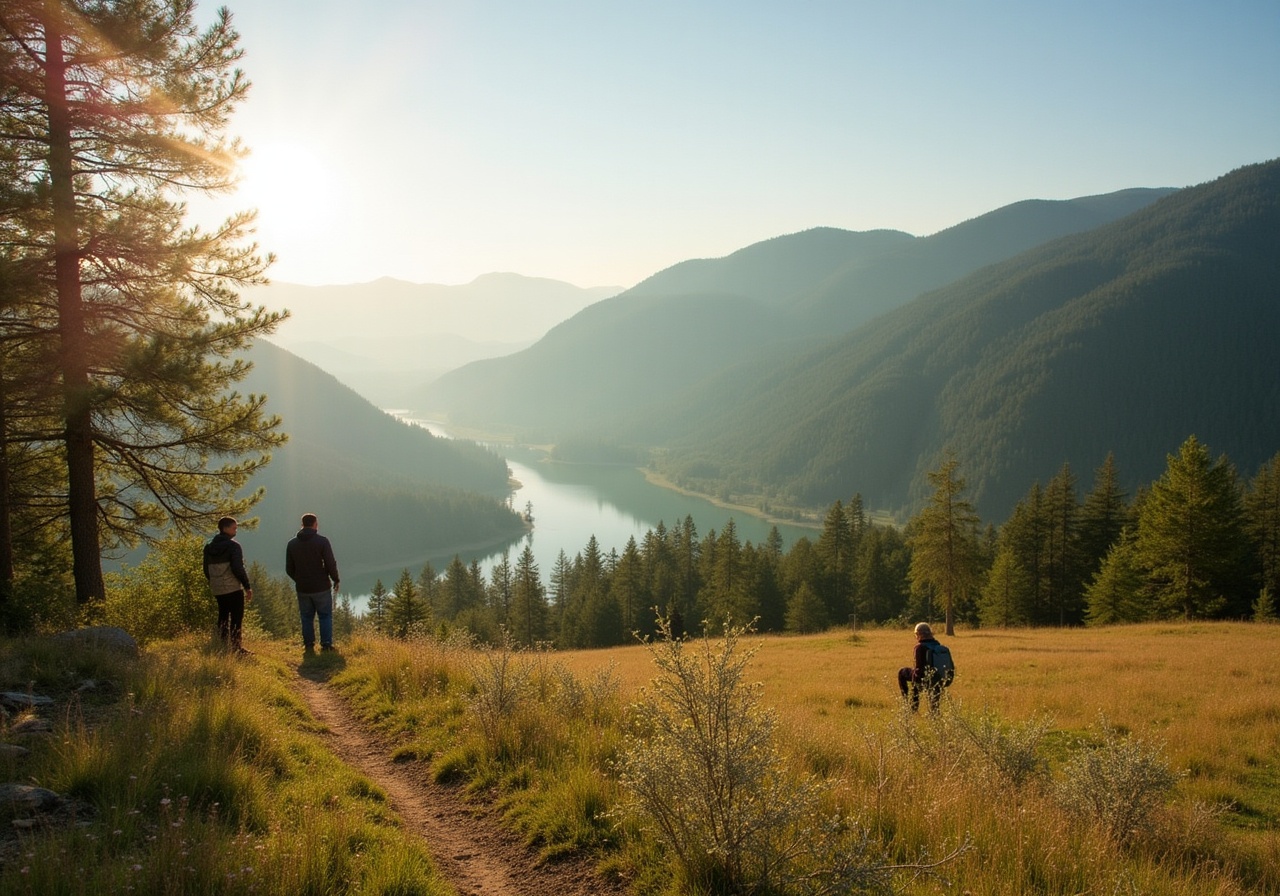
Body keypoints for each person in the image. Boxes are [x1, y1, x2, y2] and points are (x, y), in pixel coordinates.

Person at [285, 512, 341, 654]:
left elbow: (289, 569)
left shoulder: (292, 544)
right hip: (321, 586)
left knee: (306, 617)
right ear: (315, 524)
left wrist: (299, 579)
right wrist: (336, 579)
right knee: (325, 615)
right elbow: (330, 563)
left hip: (302, 588)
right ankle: (326, 644)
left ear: (302, 525)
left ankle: (309, 645)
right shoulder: (322, 541)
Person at [203, 516, 253, 654]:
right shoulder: (233, 546)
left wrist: (214, 581)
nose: (235, 530)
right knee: (236, 618)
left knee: (223, 616)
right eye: (234, 528)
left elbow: (206, 569)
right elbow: (238, 568)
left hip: (217, 588)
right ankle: (236, 648)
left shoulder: (208, 546)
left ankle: (223, 645)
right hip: (233, 588)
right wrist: (247, 586)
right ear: (225, 528)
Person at [897, 622, 948, 712]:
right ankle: (936, 720)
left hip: (924, 678)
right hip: (938, 677)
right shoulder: (937, 645)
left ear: (919, 634)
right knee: (934, 706)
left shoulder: (920, 647)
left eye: (916, 634)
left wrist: (915, 685)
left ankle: (909, 705)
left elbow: (919, 669)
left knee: (902, 672)